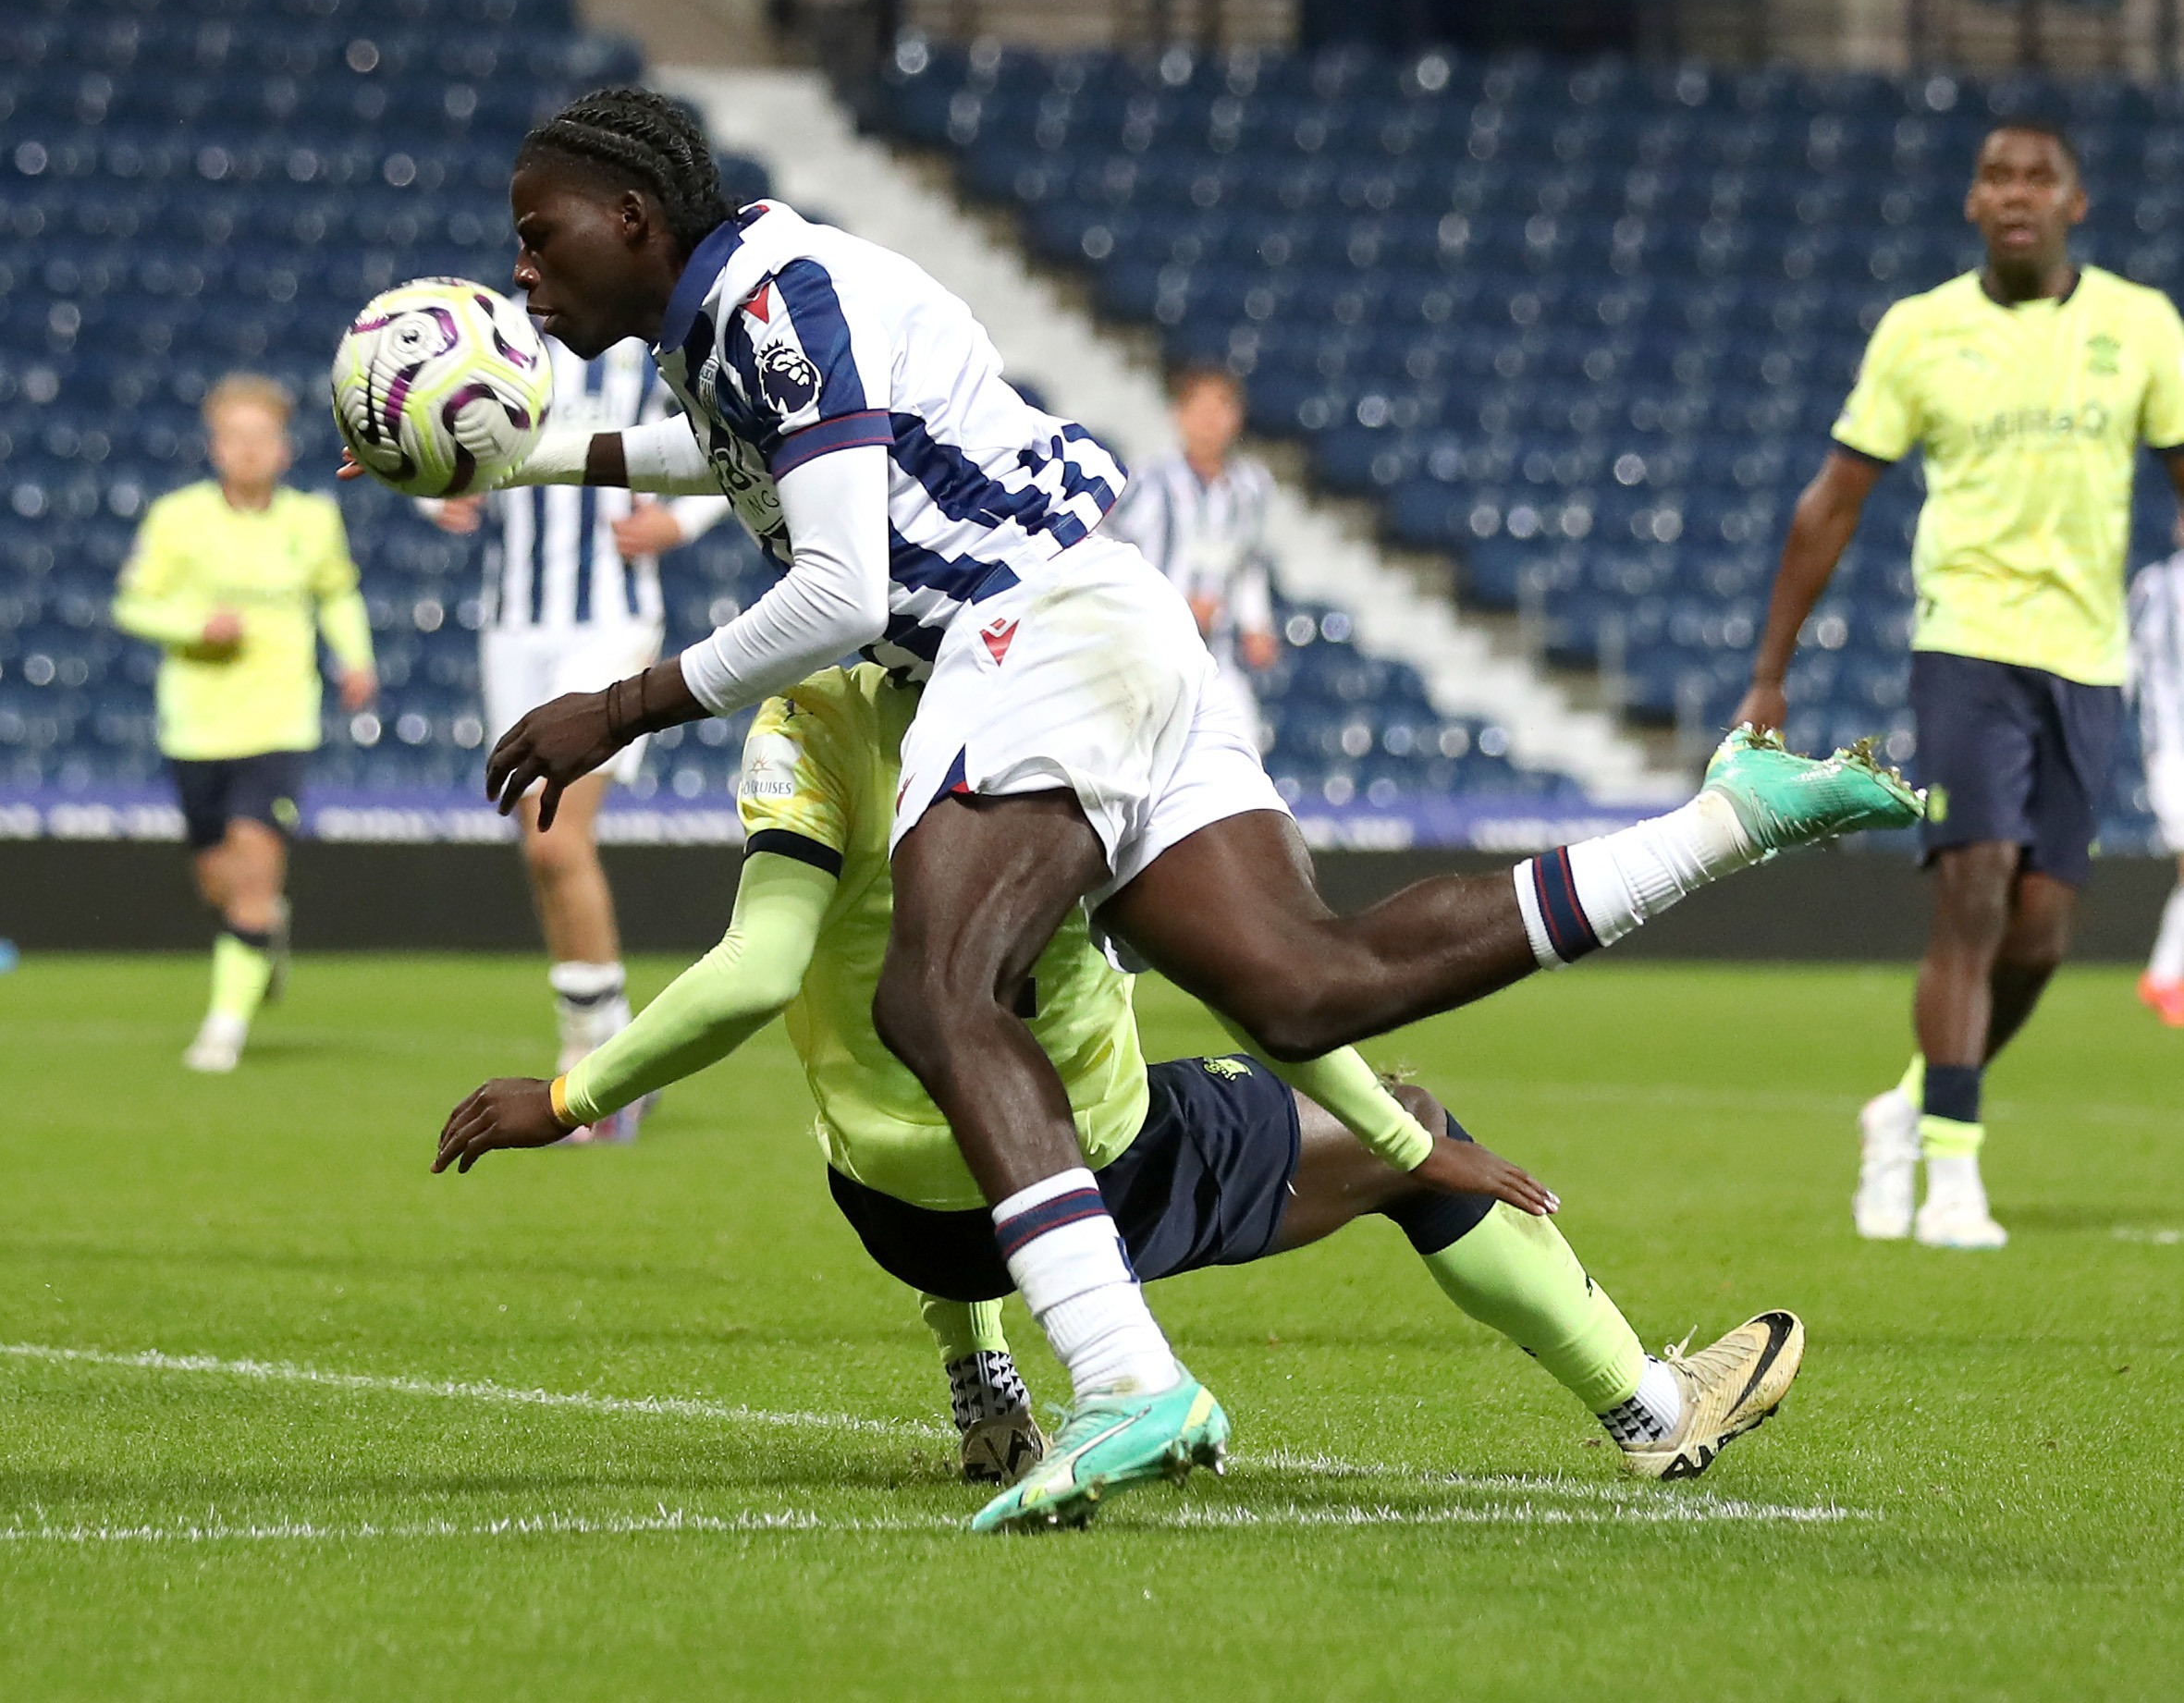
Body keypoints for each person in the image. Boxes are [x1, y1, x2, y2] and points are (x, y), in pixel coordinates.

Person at [456, 87, 1918, 1532]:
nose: (524, 266)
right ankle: (1732, 818)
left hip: (1025, 625)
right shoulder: (737, 319)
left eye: (541, 232)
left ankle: (1121, 1377)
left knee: (937, 991)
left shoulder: (772, 300)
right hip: (1105, 617)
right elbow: (733, 461)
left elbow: (837, 589)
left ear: (634, 216)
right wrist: (521, 453)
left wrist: (620, 705)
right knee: (1304, 984)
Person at [437, 664, 1812, 1513]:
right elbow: (1254, 982)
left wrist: (564, 1095)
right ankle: (1649, 1406)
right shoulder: (1074, 713)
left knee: (935, 1054)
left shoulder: (808, 717)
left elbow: (754, 970)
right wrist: (1408, 1137)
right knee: (1405, 1122)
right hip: (1095, 1171)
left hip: (891, 1207)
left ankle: (979, 1373)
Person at [1732, 120, 2184, 1251]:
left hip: (2087, 662)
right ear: (1972, 204)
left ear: (2076, 204)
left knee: (2039, 935)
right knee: (1973, 888)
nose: (2017, 193)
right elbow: (1832, 500)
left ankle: (1906, 1107)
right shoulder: (1920, 332)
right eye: (1996, 177)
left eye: (2040, 177)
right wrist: (1768, 671)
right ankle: (1953, 1180)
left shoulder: (2141, 328)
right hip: (1966, 641)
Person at [429, 335, 728, 1138]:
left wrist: (685, 518)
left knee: (557, 841)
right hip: (512, 625)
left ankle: (609, 1064)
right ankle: (599, 1047)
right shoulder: (491, 347)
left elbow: (730, 423)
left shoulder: (638, 342)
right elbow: (427, 425)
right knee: (539, 845)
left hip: (609, 619)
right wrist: (433, 495)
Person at [116, 373, 375, 1073]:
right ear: (215, 446)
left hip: (280, 721)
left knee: (256, 865)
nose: (250, 450)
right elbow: (133, 605)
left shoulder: (312, 520)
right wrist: (198, 626)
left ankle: (223, 1028)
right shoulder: (177, 519)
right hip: (196, 728)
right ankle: (264, 934)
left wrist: (355, 657)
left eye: (262, 436)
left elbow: (337, 592)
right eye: (236, 436)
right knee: (220, 882)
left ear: (285, 448)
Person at [1109, 365, 1279, 739]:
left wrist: (1256, 624)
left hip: (1218, 656)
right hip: (1149, 654)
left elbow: (1248, 561)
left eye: (1220, 410)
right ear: (1179, 416)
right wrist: (1169, 602)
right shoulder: (1147, 482)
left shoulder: (1252, 488)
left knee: (1243, 750)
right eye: (1200, 410)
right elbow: (1109, 553)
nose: (1210, 422)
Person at [2128, 519, 2184, 1026]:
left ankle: (2164, 976)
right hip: (2172, 746)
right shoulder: (2156, 585)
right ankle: (2166, 977)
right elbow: (2127, 660)